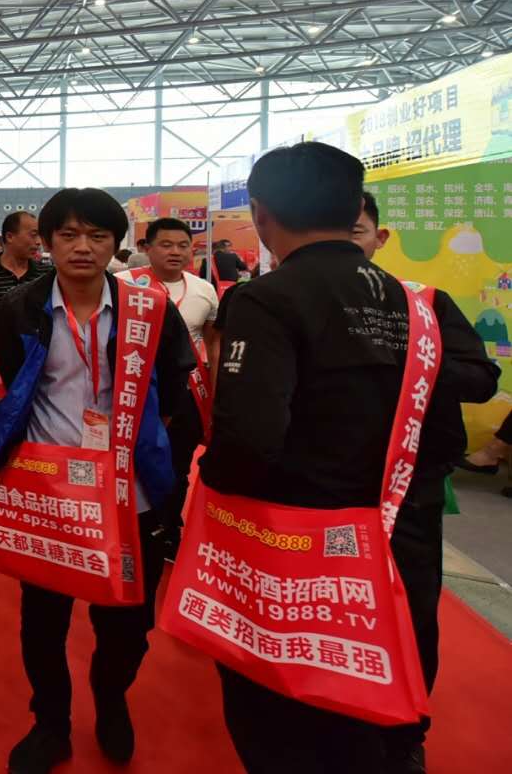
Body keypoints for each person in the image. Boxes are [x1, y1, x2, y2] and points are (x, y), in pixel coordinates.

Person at [200, 146, 497, 773]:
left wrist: (210, 484)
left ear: (261, 214)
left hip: (301, 535)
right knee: (400, 638)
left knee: (289, 691)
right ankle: (399, 743)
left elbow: (249, 440)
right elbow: (473, 381)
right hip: (403, 515)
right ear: (353, 206)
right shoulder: (418, 302)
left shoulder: (268, 298)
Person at [0, 189, 195, 774]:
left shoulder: (149, 309)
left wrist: (141, 449)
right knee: (42, 623)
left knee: (128, 624)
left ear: (116, 244)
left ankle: (111, 696)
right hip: (50, 494)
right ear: (48, 243)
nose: (83, 247)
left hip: (132, 493)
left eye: (98, 236)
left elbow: (174, 389)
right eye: (69, 235)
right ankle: (50, 723)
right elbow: (16, 386)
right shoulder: (21, 307)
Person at [350, 189, 497, 768]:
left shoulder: (425, 302)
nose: (344, 243)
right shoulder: (290, 301)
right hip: (322, 492)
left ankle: (405, 731)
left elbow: (481, 378)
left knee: (411, 610)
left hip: (409, 489)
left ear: (379, 237)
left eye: (356, 230)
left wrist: (410, 360)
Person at [129, 217, 220, 558]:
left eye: (183, 246)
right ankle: (134, 521)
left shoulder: (204, 290)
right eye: (166, 245)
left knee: (179, 463)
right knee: (135, 460)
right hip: (138, 389)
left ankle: (168, 528)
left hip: (188, 393)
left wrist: (217, 390)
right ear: (147, 248)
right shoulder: (125, 284)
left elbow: (213, 344)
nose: (176, 252)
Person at [0, 210, 50, 303]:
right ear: (9, 237)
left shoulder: (46, 274)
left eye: (39, 236)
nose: (38, 242)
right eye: (33, 235)